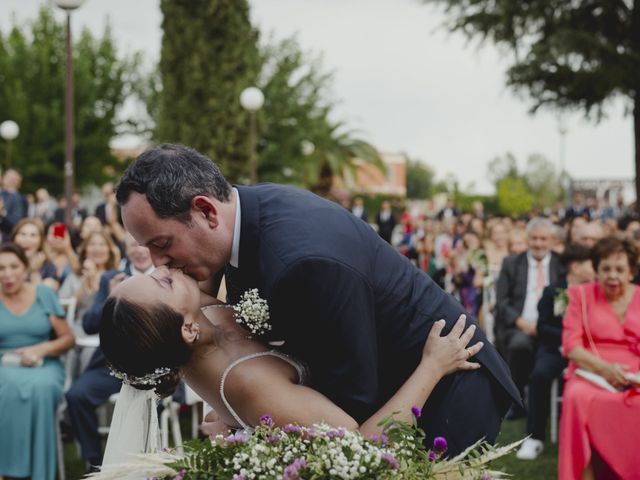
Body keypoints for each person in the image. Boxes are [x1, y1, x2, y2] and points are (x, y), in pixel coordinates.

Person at [116, 144, 520, 454]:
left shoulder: (303, 261)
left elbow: (352, 405)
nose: (159, 264)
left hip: (448, 388)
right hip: (385, 396)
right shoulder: (239, 225)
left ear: (206, 211)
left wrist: (257, 419)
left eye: (163, 244)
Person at [99, 266, 484, 461]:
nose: (163, 266)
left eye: (153, 272)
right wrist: (432, 366)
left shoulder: (199, 316)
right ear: (185, 330)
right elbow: (361, 445)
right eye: (162, 283)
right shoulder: (250, 383)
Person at [66, 233, 154, 473]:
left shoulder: (165, 277)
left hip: (153, 368)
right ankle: (94, 464)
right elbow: (89, 325)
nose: (139, 250)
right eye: (133, 245)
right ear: (125, 249)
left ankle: (145, 464)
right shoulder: (111, 278)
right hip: (110, 366)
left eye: (143, 243)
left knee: (152, 404)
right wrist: (110, 296)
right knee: (76, 396)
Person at [559, 236, 640, 479]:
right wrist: (605, 370)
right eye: (605, 269)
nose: (612, 276)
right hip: (591, 371)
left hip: (635, 375)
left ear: (631, 272)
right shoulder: (579, 296)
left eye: (619, 269)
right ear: (596, 270)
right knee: (576, 396)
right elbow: (571, 346)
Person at [0, 243, 75, 480]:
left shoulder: (44, 294)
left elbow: (68, 339)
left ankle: (39, 472)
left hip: (44, 363)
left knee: (41, 389)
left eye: (14, 266)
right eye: (1, 268)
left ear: (25, 268)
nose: (8, 274)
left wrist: (42, 348)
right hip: (5, 362)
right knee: (7, 387)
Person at [516, 245, 594, 460]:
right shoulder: (554, 290)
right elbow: (543, 326)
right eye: (591, 264)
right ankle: (535, 437)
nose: (595, 268)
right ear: (576, 267)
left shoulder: (596, 291)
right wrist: (567, 338)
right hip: (555, 348)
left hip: (589, 350)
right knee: (539, 375)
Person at [495, 217, 563, 418]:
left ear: (551, 240)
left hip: (552, 327)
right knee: (519, 346)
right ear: (527, 239)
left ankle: (553, 402)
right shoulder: (512, 263)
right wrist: (520, 322)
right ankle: (517, 401)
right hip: (520, 325)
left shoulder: (561, 265)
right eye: (534, 238)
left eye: (543, 239)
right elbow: (501, 301)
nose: (539, 244)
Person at [10, 217, 58, 290]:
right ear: (14, 238)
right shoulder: (4, 263)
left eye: (33, 235)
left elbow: (43, 297)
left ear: (40, 241)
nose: (27, 239)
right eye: (23, 234)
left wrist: (34, 272)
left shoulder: (48, 267)